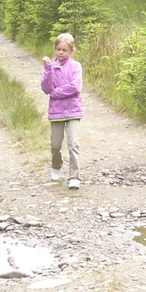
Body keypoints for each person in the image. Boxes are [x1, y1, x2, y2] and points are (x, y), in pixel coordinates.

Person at [41, 33, 83, 190]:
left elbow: (75, 86)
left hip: (73, 110)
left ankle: (74, 176)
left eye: (64, 50)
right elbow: (46, 88)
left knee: (73, 143)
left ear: (71, 50)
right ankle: (56, 164)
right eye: (58, 49)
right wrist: (48, 69)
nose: (61, 53)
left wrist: (56, 93)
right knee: (55, 145)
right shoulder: (51, 65)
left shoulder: (76, 66)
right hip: (56, 111)